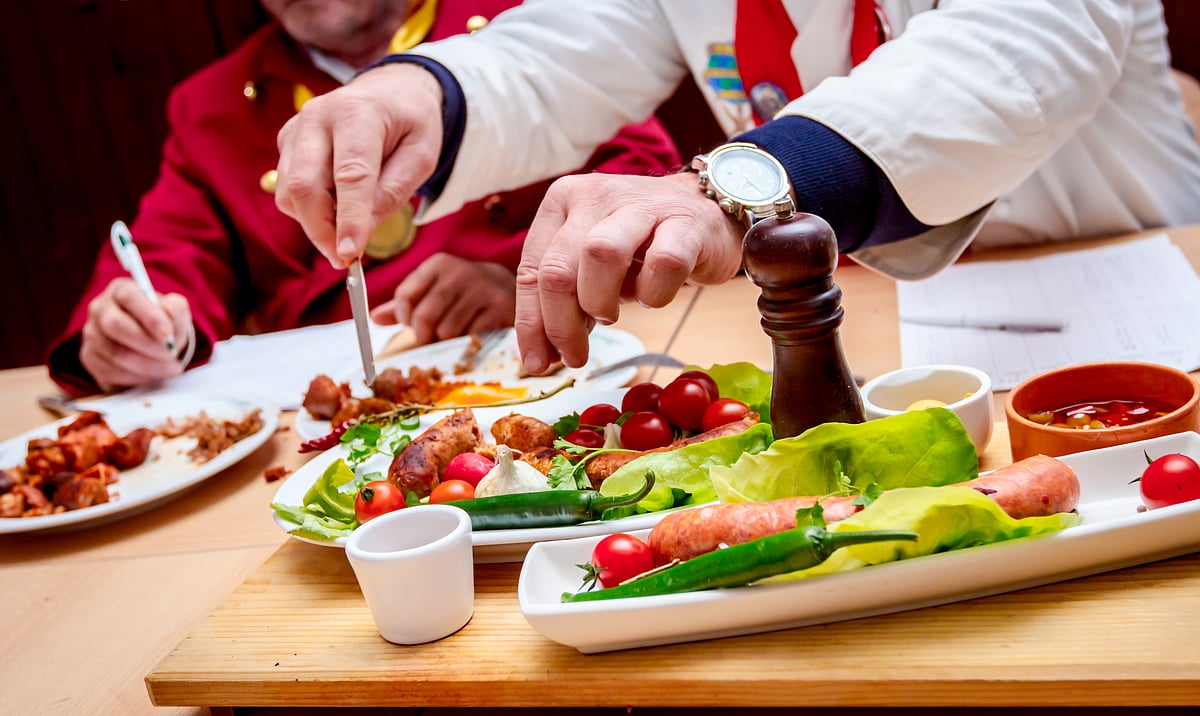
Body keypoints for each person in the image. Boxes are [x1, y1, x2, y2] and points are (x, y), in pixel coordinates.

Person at [272, 0, 1200, 376]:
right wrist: (422, 92)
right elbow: (564, 48)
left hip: (1134, 299)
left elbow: (1021, 46)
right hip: (874, 323)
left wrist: (738, 188)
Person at [45, 0, 679, 396]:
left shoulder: (527, 23)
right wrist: (138, 329)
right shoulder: (209, 105)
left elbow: (643, 175)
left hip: (544, 374)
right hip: (344, 425)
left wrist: (522, 274)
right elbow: (164, 261)